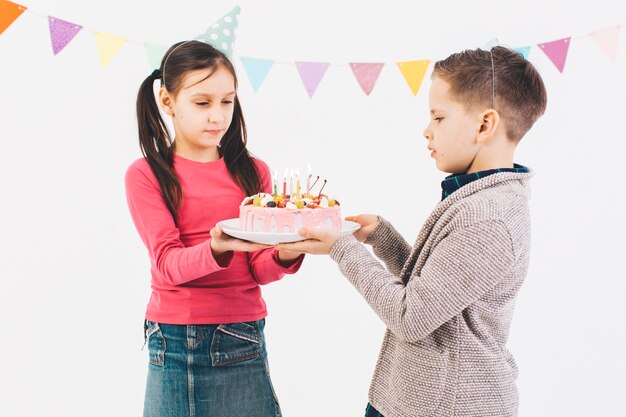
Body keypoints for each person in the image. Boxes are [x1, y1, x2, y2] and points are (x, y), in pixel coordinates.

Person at [277, 46, 547, 417]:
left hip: (446, 407)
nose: (427, 130)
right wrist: (383, 240)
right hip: (422, 399)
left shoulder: (489, 218)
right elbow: (440, 295)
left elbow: (412, 316)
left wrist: (342, 249)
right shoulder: (479, 200)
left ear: (485, 125)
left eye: (438, 117)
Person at [125, 40, 303, 417]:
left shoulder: (253, 172)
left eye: (227, 101)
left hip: (239, 336)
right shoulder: (146, 175)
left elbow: (259, 266)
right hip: (170, 341)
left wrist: (288, 250)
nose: (218, 116)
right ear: (168, 101)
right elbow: (167, 264)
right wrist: (218, 248)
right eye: (202, 103)